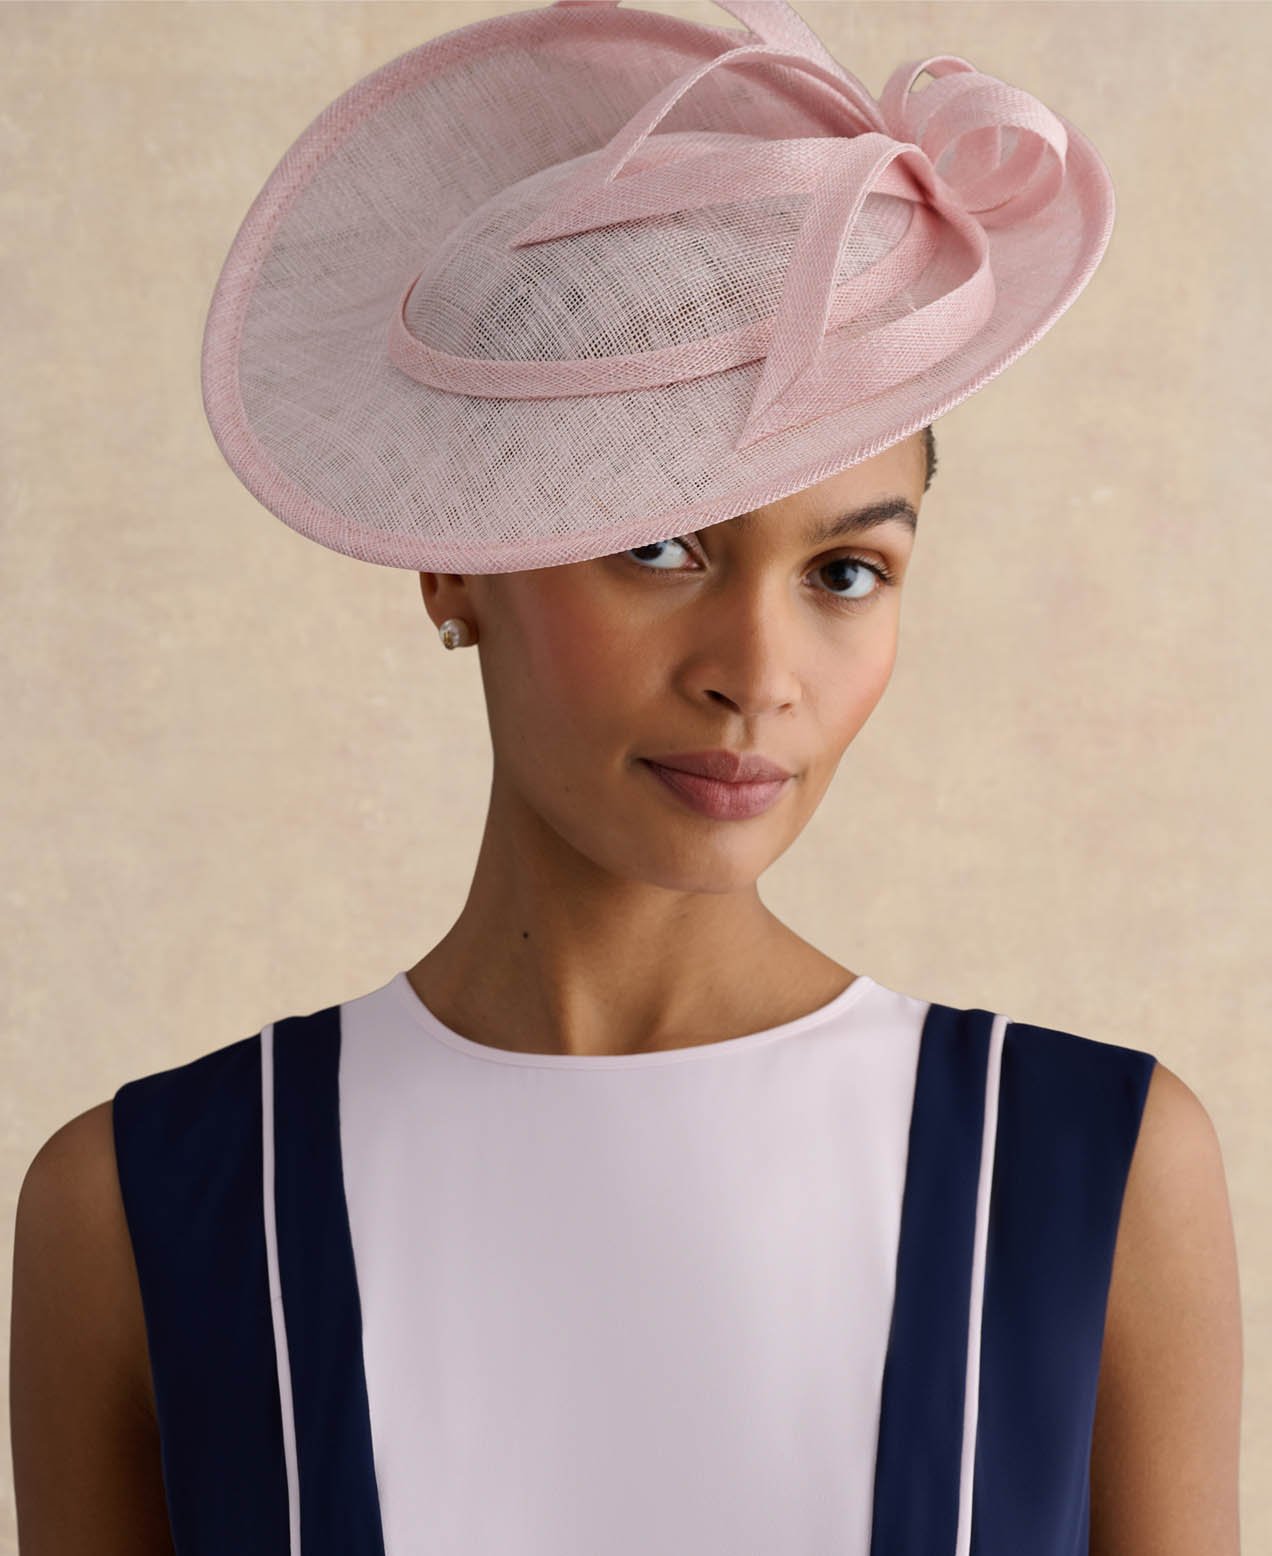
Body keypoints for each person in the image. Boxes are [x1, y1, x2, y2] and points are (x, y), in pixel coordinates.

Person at [11, 2, 1242, 1553]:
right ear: (452, 561)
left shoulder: (1096, 1173)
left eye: (847, 571)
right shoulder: (139, 1213)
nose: (758, 670)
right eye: (658, 546)